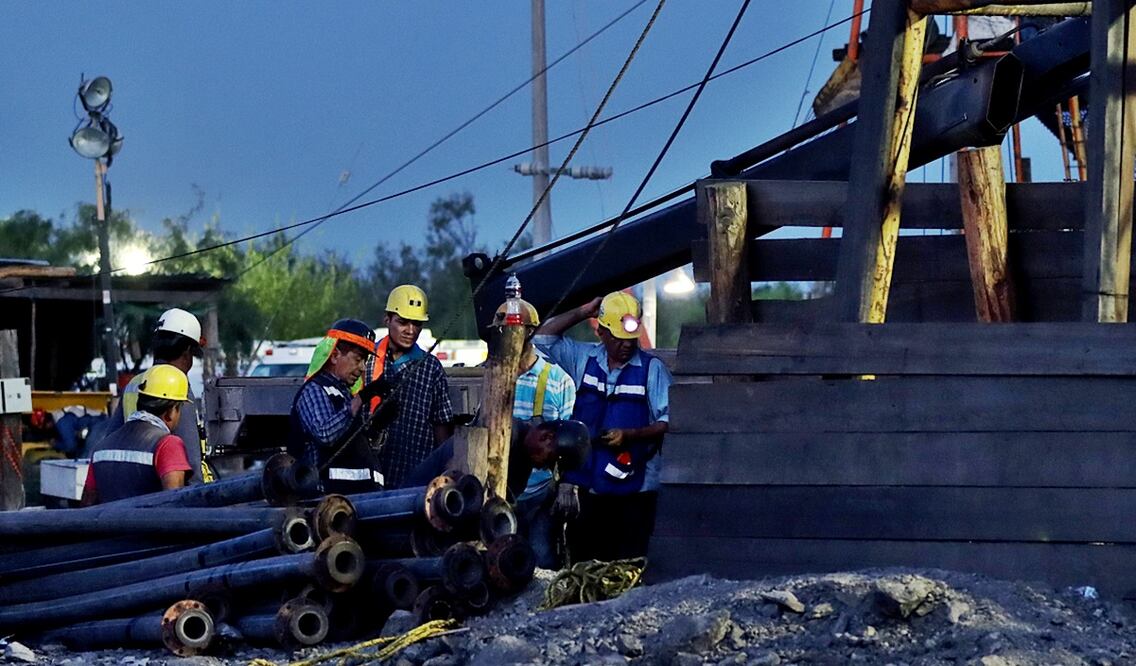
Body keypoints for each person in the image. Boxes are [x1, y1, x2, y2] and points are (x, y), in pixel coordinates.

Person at [534, 291, 673, 562]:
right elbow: (542, 338)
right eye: (619, 338)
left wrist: (631, 435)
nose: (627, 345)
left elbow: (669, 420)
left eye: (631, 338)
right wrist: (583, 312)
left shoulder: (652, 370)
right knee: (587, 563)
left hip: (636, 491)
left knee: (628, 564)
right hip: (590, 488)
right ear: (603, 333)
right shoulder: (584, 360)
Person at [490, 298, 578, 569]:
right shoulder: (491, 377)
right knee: (503, 560)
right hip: (500, 492)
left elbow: (570, 443)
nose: (505, 339)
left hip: (541, 494)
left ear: (529, 333)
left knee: (542, 558)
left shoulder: (558, 381)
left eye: (511, 333)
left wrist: (567, 484)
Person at [105, 308, 212, 484]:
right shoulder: (178, 386)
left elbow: (112, 441)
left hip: (137, 489)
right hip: (168, 491)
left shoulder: (134, 384)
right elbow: (191, 461)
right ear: (187, 352)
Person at [366, 285, 455, 489]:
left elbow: (441, 426)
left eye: (417, 324)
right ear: (387, 320)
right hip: (371, 472)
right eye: (403, 322)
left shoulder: (431, 367)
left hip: (415, 475)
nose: (410, 330)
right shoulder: (368, 360)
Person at [288, 319, 387, 494]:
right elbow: (325, 434)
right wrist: (359, 400)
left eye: (365, 360)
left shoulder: (346, 395)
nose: (363, 368)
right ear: (334, 356)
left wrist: (379, 425)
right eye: (358, 359)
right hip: (325, 501)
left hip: (356, 498)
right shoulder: (314, 390)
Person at [82, 365, 194, 504]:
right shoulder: (167, 444)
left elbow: (86, 506)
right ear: (171, 412)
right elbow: (175, 505)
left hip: (109, 526)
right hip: (148, 526)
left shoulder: (101, 448)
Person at [403, 418, 590, 501]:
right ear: (546, 437)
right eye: (549, 461)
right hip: (415, 499)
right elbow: (456, 477)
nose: (543, 468)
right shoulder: (501, 432)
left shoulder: (523, 467)